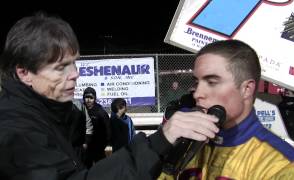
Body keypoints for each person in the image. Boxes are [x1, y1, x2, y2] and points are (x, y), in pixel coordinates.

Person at [0, 12, 219, 180]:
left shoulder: (55, 113)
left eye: (74, 62)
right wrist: (158, 142)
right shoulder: (15, 132)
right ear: (24, 73)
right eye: (60, 68)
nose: (75, 73)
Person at [158, 40, 294, 179]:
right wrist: (161, 144)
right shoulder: (181, 144)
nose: (198, 94)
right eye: (197, 82)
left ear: (246, 89)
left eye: (212, 82)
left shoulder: (284, 166)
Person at [82, 87, 111, 167]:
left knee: (100, 167)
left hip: (98, 145)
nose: (88, 100)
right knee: (85, 167)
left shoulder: (100, 112)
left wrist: (108, 143)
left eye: (91, 98)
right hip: (84, 145)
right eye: (86, 97)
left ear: (95, 98)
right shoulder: (80, 109)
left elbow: (107, 128)